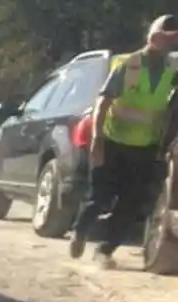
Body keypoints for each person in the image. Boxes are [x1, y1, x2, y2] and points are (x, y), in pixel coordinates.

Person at [71, 15, 178, 266]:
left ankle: (105, 250)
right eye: (163, 35)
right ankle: (80, 231)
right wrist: (97, 136)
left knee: (131, 203)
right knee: (99, 196)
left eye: (172, 38)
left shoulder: (171, 71)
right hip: (112, 140)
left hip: (144, 146)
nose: (166, 41)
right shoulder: (128, 64)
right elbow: (103, 100)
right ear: (152, 36)